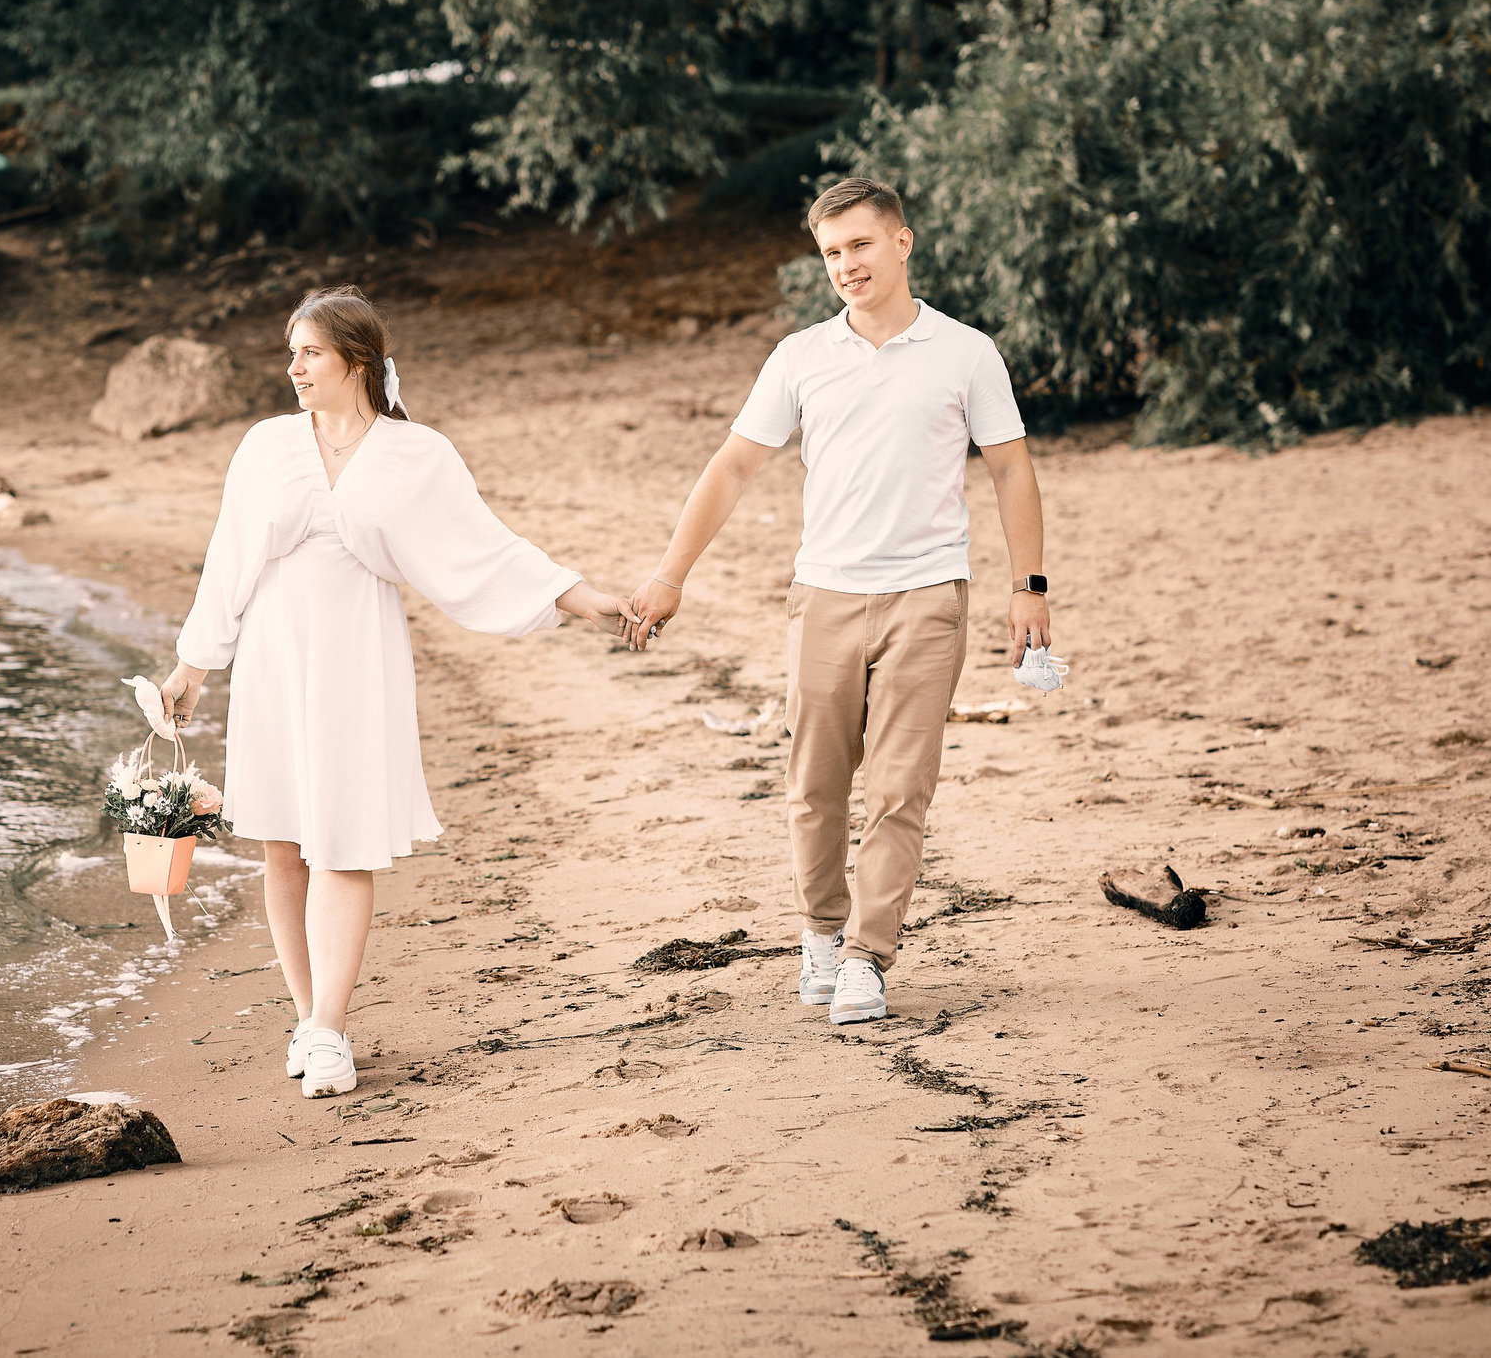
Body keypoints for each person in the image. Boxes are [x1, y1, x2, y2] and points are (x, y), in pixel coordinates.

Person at [158, 286, 639, 1096]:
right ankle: (309, 1019)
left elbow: (487, 550)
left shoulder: (417, 454)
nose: (293, 367)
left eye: (308, 352)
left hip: (356, 651)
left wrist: (587, 600)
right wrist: (193, 666)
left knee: (342, 836)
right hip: (276, 653)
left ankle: (331, 1030)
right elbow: (228, 559)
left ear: (355, 358)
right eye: (291, 352)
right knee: (282, 840)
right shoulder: (266, 446)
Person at [626, 177, 1051, 1026]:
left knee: (900, 787)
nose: (845, 265)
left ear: (902, 241)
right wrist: (671, 573)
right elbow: (733, 466)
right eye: (830, 253)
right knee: (814, 788)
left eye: (859, 245)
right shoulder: (800, 358)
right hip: (822, 595)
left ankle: (867, 956)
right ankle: (822, 934)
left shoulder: (966, 352)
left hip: (928, 595)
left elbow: (1010, 468)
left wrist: (1028, 588)